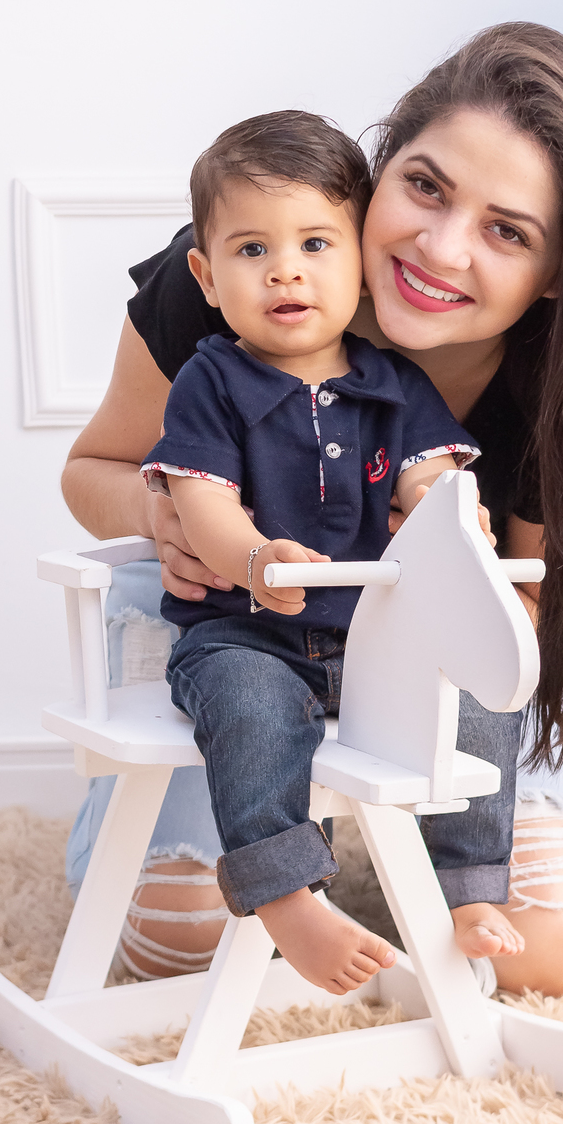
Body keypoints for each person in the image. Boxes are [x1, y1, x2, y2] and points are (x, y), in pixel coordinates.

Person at [62, 21, 563, 997]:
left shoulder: (556, 390)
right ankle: (253, 832)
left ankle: (455, 844)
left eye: (507, 231)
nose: (441, 248)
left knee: (549, 953)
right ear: (379, 167)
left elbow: (518, 623)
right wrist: (167, 516)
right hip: (240, 630)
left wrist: (441, 585)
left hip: (438, 665)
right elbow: (94, 467)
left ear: (559, 272)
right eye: (427, 187)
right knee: (177, 951)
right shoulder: (243, 270)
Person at [142, 110, 524, 995]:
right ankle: (285, 894)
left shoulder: (392, 382)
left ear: (359, 260)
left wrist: (446, 511)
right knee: (249, 709)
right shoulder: (212, 378)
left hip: (370, 642)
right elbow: (199, 496)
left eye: (317, 243)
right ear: (203, 274)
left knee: (474, 700)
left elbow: (429, 474)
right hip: (249, 634)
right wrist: (252, 560)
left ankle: (465, 886)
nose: (285, 269)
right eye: (250, 251)